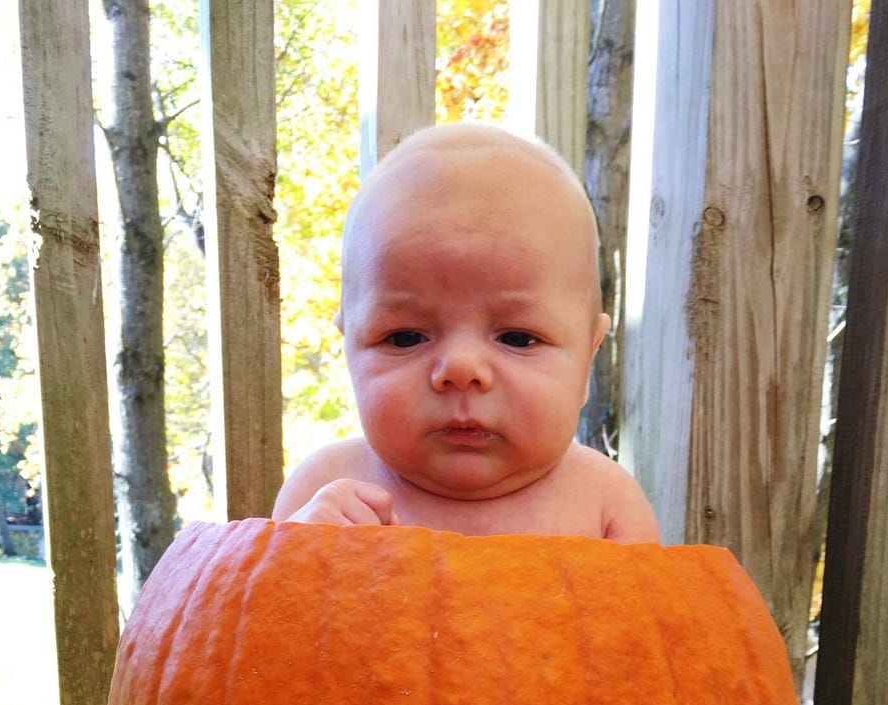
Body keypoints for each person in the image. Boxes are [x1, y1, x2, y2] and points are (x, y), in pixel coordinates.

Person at [272, 122, 660, 543]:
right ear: (349, 349)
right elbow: (258, 604)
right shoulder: (324, 490)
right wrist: (300, 548)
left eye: (518, 338)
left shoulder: (606, 502)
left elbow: (654, 610)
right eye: (405, 338)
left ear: (589, 356)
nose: (460, 369)